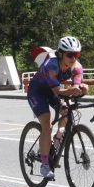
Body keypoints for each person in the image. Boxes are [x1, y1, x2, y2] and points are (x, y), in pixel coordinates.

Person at [27, 36, 88, 179]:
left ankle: (57, 138)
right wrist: (71, 91)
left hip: (52, 90)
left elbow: (75, 85)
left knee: (67, 111)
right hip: (37, 92)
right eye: (70, 55)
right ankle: (44, 165)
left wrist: (82, 89)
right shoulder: (51, 65)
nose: (73, 58)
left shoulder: (77, 67)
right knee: (47, 124)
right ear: (60, 54)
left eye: (76, 55)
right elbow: (57, 91)